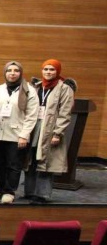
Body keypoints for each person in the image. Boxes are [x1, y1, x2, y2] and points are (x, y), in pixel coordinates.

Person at [0, 61, 38, 204]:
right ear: (5, 73)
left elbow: (32, 115)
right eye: (9, 70)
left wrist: (24, 135)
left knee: (13, 164)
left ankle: (9, 191)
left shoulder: (29, 91)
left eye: (16, 70)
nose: (12, 73)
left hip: (17, 135)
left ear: (21, 73)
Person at [23, 59, 75, 204]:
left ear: (58, 71)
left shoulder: (64, 88)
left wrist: (57, 133)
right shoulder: (37, 86)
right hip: (34, 126)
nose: (48, 72)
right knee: (31, 159)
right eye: (45, 69)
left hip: (50, 129)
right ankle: (29, 192)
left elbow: (65, 113)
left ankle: (42, 195)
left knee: (46, 161)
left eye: (52, 69)